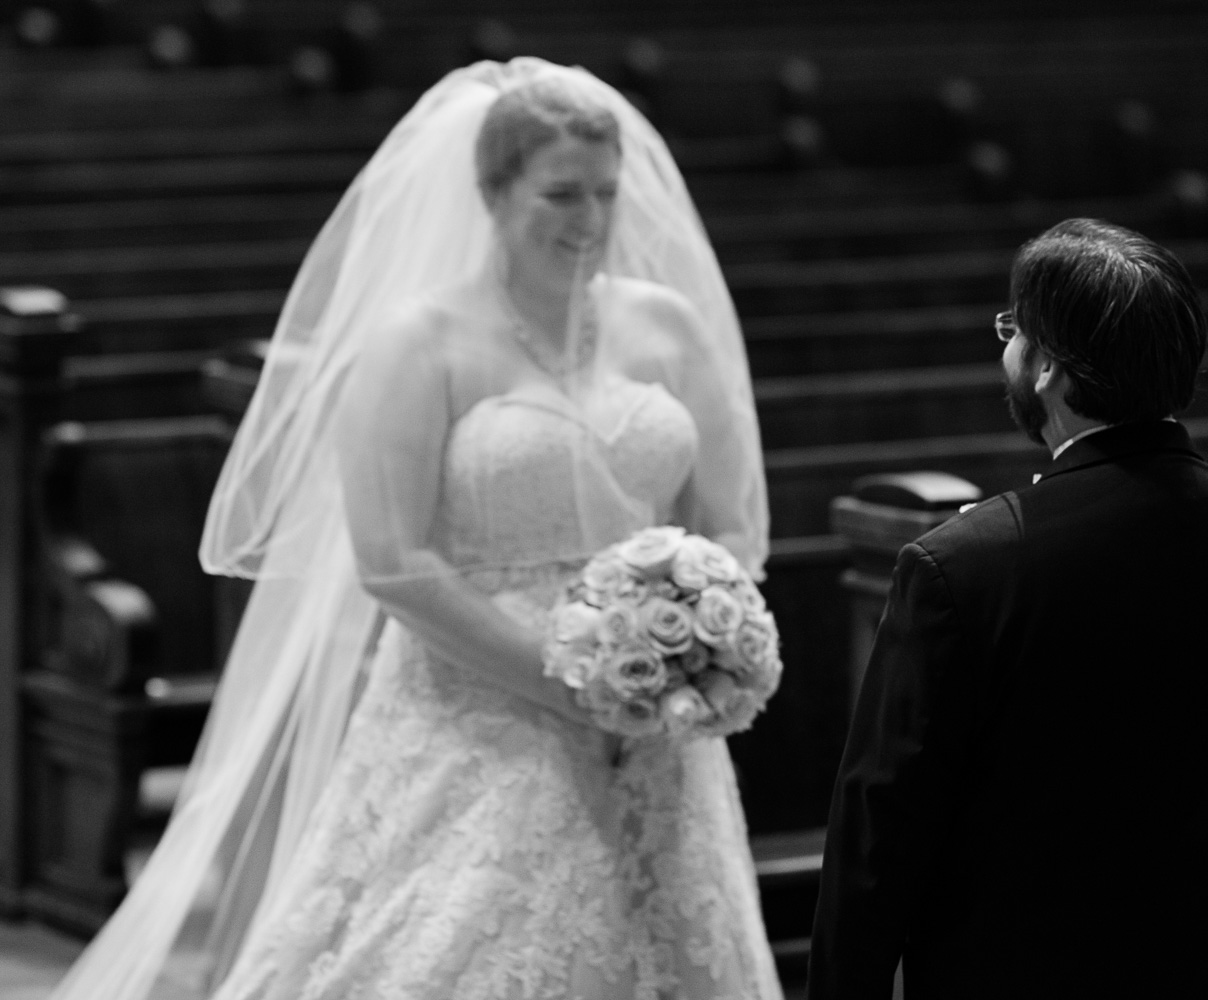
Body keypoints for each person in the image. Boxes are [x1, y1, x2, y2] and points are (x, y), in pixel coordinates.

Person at [51, 59, 781, 1000]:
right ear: (492, 190)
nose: (591, 222)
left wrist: (707, 640)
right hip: (474, 701)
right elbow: (394, 564)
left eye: (606, 192)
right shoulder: (418, 341)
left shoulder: (668, 326)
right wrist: (574, 685)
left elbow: (725, 528)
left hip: (656, 718)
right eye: (560, 193)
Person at [807, 219, 1208, 1000]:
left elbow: (879, 836)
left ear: (1048, 370)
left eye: (1013, 333)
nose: (1007, 350)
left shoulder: (962, 567)